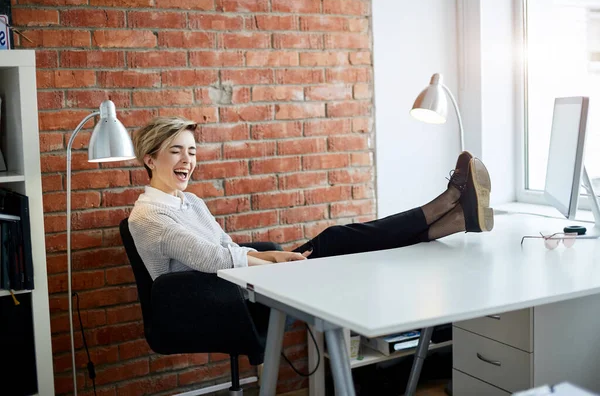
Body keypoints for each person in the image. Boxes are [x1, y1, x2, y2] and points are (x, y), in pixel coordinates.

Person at [128, 116, 493, 282]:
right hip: (219, 301)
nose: (188, 160)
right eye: (176, 151)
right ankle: (448, 206)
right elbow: (211, 258)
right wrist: (280, 265)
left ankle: (455, 217)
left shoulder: (189, 202)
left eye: (191, 151)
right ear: (150, 159)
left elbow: (226, 246)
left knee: (345, 244)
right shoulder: (149, 217)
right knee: (339, 241)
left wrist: (273, 255)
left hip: (240, 279)